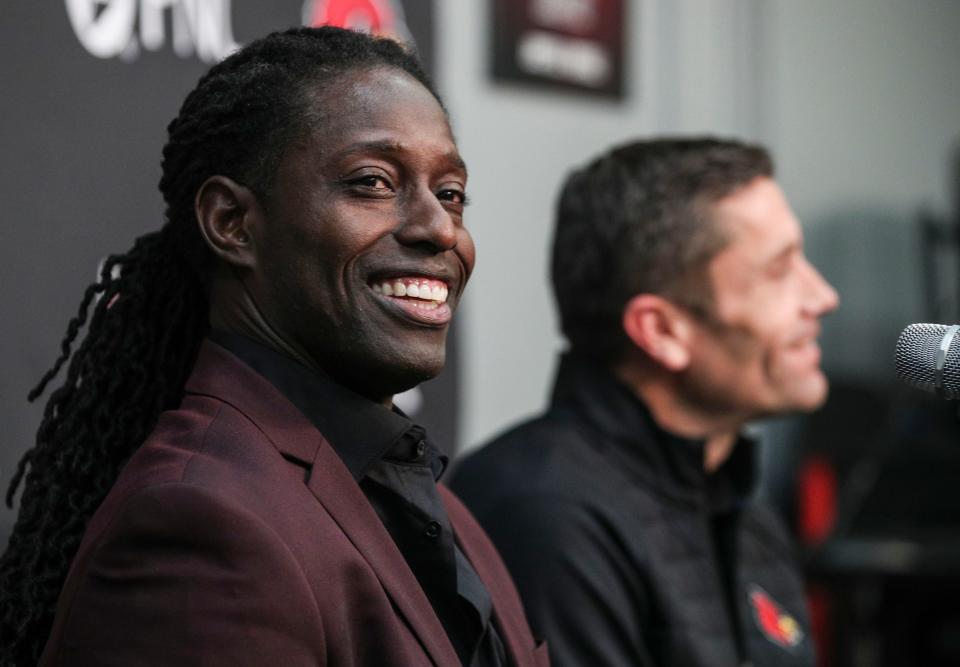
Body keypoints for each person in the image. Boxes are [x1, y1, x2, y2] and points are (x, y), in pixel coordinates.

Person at [0, 27, 547, 667]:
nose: (438, 228)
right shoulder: (198, 525)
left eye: (450, 194)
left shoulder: (436, 502)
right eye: (372, 181)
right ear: (233, 224)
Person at [452, 138, 839, 667]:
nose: (822, 297)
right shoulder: (546, 516)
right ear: (661, 331)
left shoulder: (741, 503)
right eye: (779, 271)